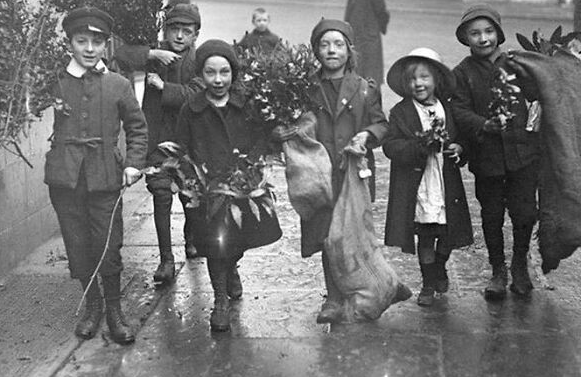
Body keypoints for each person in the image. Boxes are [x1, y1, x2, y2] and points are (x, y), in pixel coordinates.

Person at [0, 6, 148, 344]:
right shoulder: (54, 81)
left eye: (96, 42)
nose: (89, 48)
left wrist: (133, 163)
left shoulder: (118, 85)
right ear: (69, 42)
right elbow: (12, 103)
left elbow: (138, 129)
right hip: (66, 179)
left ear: (105, 45)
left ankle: (114, 310)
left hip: (105, 178)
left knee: (108, 247)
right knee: (78, 245)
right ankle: (93, 305)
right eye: (81, 40)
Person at [274, 18, 389, 323]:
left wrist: (367, 135)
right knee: (327, 236)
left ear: (349, 51)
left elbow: (380, 123)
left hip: (352, 173)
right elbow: (289, 120)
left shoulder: (364, 89)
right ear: (315, 51)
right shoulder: (303, 88)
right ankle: (334, 297)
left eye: (338, 44)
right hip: (318, 175)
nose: (331, 50)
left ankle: (361, 290)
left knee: (352, 234)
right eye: (324, 44)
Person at [175, 39, 281, 332]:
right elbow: (181, 147)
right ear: (201, 75)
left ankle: (232, 266)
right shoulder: (191, 109)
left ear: (233, 73)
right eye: (210, 73)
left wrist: (252, 166)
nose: (218, 80)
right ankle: (220, 299)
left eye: (224, 72)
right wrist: (189, 178)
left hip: (240, 187)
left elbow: (262, 137)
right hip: (208, 191)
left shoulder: (245, 105)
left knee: (237, 241)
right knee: (214, 245)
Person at [451, 4, 540, 299]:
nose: (483, 38)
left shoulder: (516, 65)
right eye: (475, 33)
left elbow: (537, 94)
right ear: (466, 38)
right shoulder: (462, 73)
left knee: (524, 212)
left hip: (521, 154)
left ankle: (519, 265)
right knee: (491, 214)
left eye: (489, 31)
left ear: (499, 34)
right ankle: (498, 269)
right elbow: (458, 109)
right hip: (486, 157)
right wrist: (483, 124)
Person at [114, 3, 203, 284]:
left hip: (188, 143)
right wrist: (152, 53)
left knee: (190, 197)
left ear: (195, 35)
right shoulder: (156, 55)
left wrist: (165, 88)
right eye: (173, 29)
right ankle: (166, 258)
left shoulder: (200, 61)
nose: (178, 36)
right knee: (161, 196)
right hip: (157, 139)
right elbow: (120, 55)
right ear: (166, 31)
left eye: (185, 31)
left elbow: (197, 94)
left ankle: (191, 237)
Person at [383, 48, 473, 305]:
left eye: (424, 77)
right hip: (420, 185)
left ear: (436, 80)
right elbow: (391, 146)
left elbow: (460, 138)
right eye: (412, 79)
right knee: (425, 235)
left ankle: (439, 268)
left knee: (447, 236)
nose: (418, 83)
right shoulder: (401, 112)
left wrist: (459, 148)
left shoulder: (447, 108)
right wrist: (419, 147)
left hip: (445, 182)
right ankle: (428, 284)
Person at [344, 0, 390, 85]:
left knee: (371, 76)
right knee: (357, 74)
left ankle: (374, 105)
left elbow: (382, 12)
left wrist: (375, 29)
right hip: (356, 36)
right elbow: (350, 9)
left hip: (369, 38)